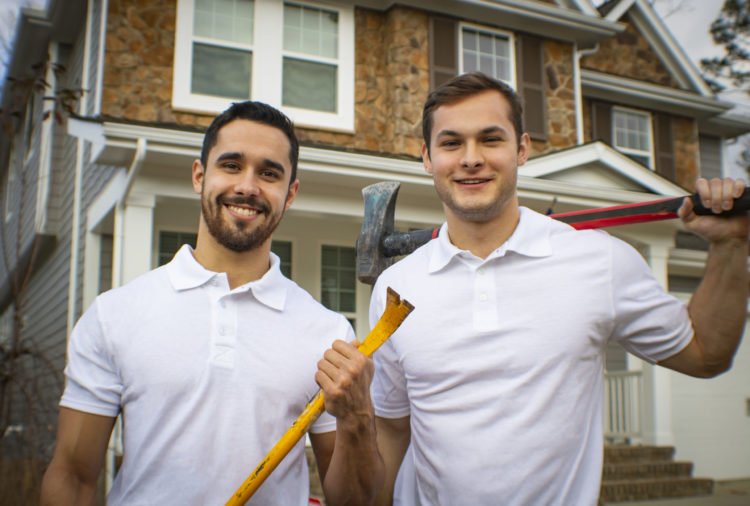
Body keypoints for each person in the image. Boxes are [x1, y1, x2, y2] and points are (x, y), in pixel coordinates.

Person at [369, 72, 748, 505]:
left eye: (491, 139)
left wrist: (731, 245)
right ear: (427, 157)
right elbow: (392, 427)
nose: (470, 158)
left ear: (522, 149)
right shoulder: (397, 286)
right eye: (451, 143)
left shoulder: (599, 261)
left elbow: (706, 355)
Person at [41, 101, 384, 505]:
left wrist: (358, 416)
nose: (248, 187)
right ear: (200, 176)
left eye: (269, 173)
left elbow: (357, 502)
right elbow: (72, 477)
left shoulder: (327, 334)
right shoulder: (115, 315)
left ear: (290, 194)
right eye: (231, 165)